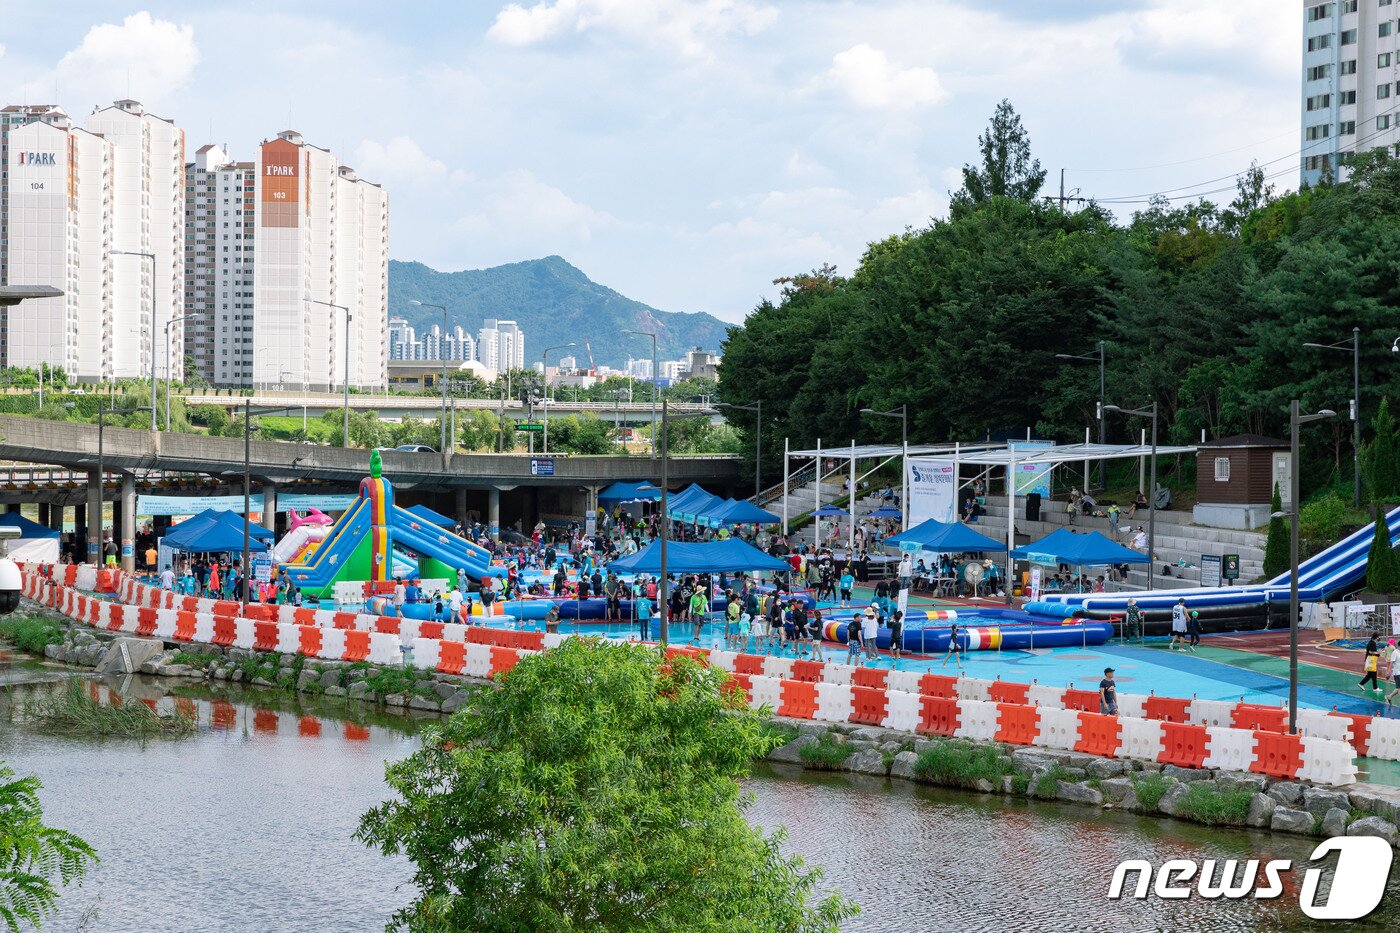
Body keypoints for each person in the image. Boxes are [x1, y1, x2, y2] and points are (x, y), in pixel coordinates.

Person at [1385, 639, 1400, 706]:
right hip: (1397, 673)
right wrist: (1388, 672)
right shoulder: (1395, 652)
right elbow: (1391, 663)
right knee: (1399, 689)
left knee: (1398, 688)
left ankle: (1389, 697)